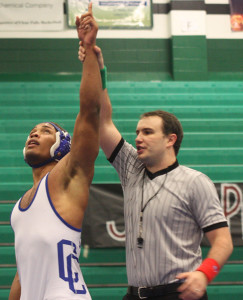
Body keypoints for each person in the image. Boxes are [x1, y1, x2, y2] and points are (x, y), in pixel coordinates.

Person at [78, 45, 233, 299]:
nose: (138, 138)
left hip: (178, 293)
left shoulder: (194, 182)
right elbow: (102, 120)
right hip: (135, 294)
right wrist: (97, 66)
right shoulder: (131, 168)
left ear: (170, 139)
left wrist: (205, 273)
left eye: (147, 132)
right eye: (137, 132)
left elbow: (223, 242)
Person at [8, 3, 102, 300]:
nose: (34, 133)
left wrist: (88, 51)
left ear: (63, 144)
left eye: (45, 130)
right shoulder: (19, 206)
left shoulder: (68, 177)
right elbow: (23, 273)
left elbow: (90, 112)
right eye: (32, 131)